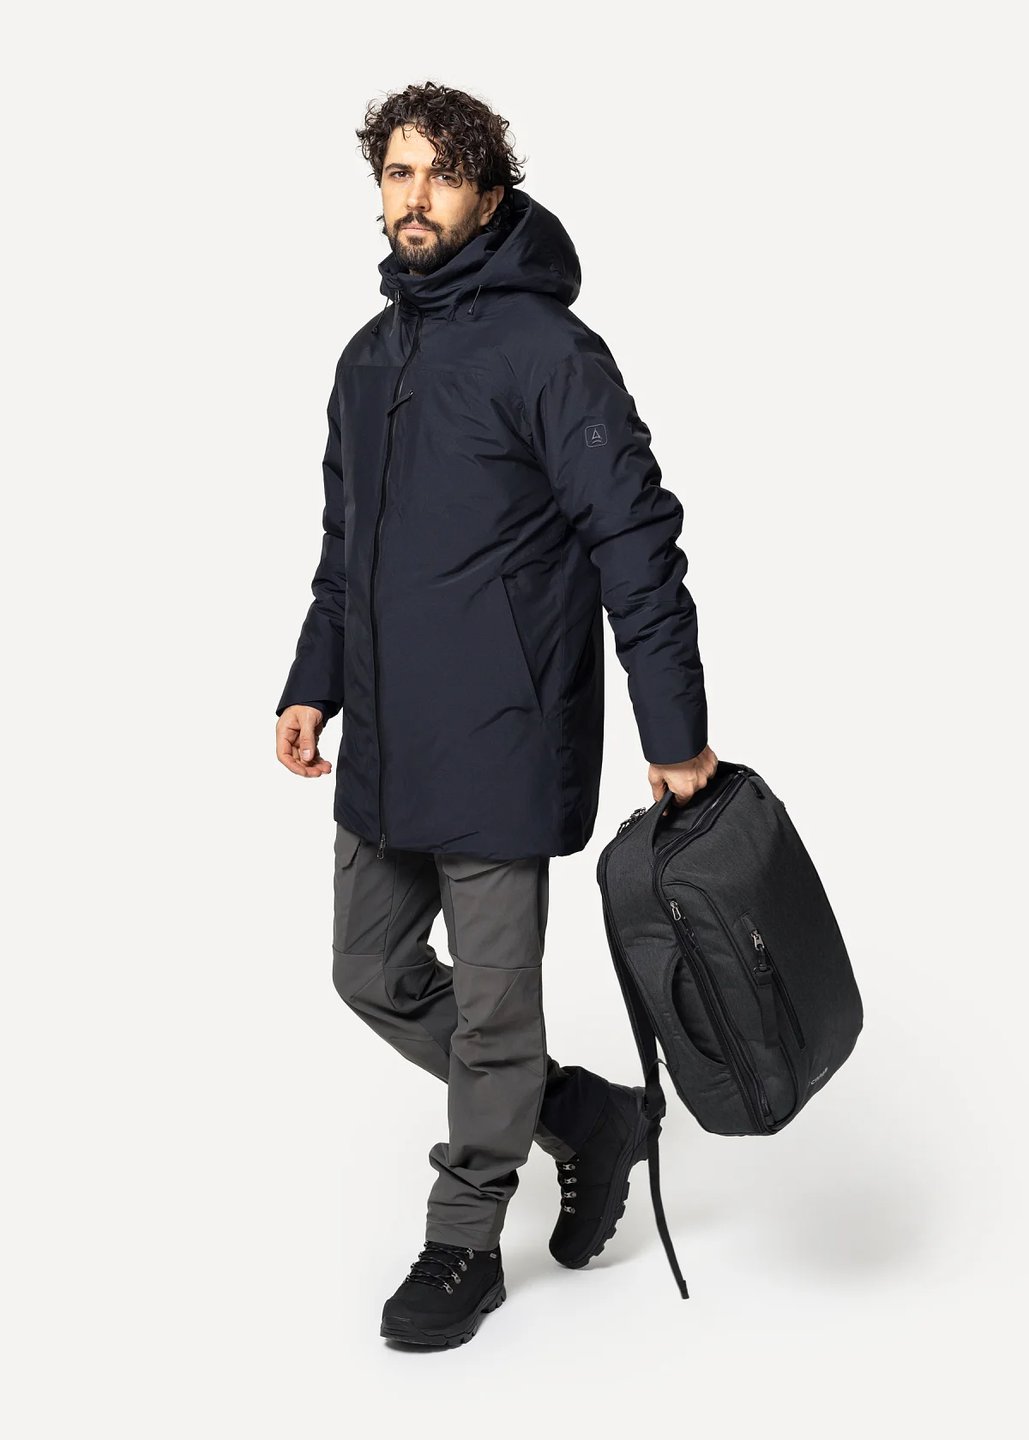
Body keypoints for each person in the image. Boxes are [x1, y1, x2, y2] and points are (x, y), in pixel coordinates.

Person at [274, 80, 718, 1348]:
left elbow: (637, 540)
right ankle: (586, 1114)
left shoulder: (549, 352)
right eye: (397, 174)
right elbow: (345, 553)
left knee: (491, 1014)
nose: (415, 198)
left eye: (441, 174)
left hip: (506, 735)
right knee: (367, 970)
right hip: (389, 735)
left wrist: (674, 730)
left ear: (488, 192)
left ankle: (464, 1239)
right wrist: (313, 681)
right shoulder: (366, 359)